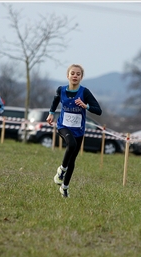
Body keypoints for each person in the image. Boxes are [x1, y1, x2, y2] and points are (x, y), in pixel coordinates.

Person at [46, 64, 102, 198]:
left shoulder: (85, 92)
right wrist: (51, 113)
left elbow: (98, 110)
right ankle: (61, 171)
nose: (75, 76)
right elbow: (55, 100)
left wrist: (86, 106)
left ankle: (64, 188)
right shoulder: (61, 90)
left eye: (78, 74)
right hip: (63, 126)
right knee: (71, 144)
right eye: (72, 73)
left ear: (81, 77)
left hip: (79, 130)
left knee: (72, 160)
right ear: (68, 76)